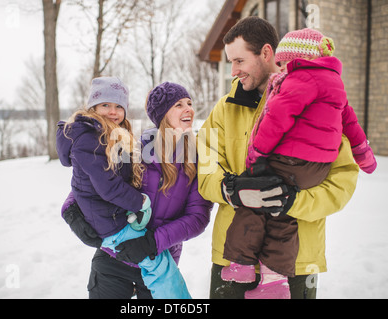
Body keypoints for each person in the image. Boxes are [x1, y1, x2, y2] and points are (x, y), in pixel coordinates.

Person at [197, 16, 360, 299]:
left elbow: (343, 180)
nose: (233, 71)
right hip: (234, 258)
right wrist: (231, 190)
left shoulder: (322, 106)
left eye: (239, 61)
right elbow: (204, 169)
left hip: (296, 260)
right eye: (231, 62)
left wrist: (294, 201)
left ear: (266, 53)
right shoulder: (224, 110)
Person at [59, 80, 212, 299]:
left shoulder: (197, 158)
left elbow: (198, 218)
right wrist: (71, 209)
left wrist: (152, 242)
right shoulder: (138, 147)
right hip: (114, 258)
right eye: (179, 105)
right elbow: (98, 179)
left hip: (157, 263)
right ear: (162, 116)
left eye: (189, 103)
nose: (189, 108)